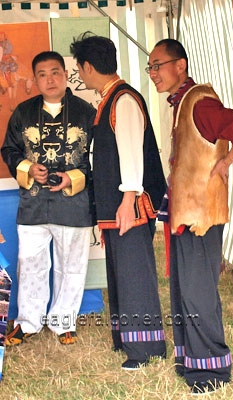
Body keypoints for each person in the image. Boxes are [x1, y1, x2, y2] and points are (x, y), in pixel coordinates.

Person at [146, 38, 233, 395]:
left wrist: (228, 160)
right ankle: (192, 362)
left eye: (158, 65)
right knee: (184, 291)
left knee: (198, 293)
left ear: (181, 65)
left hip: (201, 215)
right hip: (185, 213)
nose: (153, 73)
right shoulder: (182, 103)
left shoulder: (200, 102)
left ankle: (212, 371)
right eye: (151, 67)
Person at [70, 33, 167, 370]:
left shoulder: (123, 100)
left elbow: (131, 153)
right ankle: (128, 340)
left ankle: (145, 350)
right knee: (121, 274)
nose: (80, 76)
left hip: (130, 206)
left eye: (80, 69)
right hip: (116, 206)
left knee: (134, 274)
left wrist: (127, 200)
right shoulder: (109, 99)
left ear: (88, 66)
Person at [1, 51, 96, 346]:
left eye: (55, 72)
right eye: (42, 74)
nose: (50, 79)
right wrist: (29, 168)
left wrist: (73, 177)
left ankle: (63, 321)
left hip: (74, 202)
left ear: (66, 75)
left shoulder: (86, 112)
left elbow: (99, 157)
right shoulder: (23, 112)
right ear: (35, 79)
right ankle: (28, 322)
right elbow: (9, 150)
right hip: (33, 202)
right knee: (30, 263)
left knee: (72, 263)